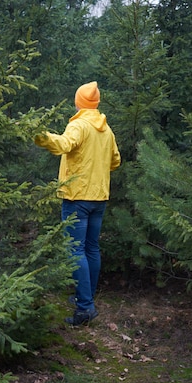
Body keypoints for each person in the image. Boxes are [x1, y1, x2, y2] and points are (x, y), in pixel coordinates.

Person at [34, 81, 121, 326]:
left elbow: (63, 144)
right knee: (91, 249)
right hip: (99, 198)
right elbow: (115, 161)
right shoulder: (106, 129)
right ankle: (87, 297)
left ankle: (85, 309)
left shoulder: (78, 125)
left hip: (77, 198)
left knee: (75, 251)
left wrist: (37, 134)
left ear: (79, 102)